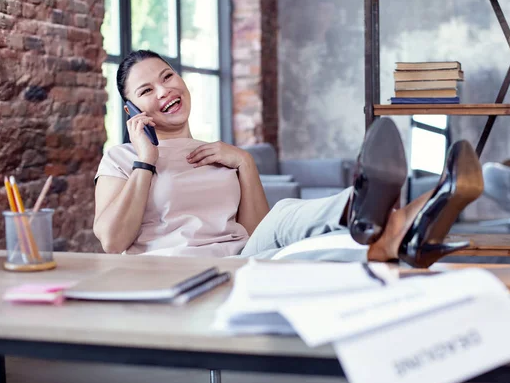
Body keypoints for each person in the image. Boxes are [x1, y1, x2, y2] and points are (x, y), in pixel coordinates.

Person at [93, 49, 484, 268]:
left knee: (314, 230)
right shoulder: (122, 158)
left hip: (245, 257)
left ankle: (397, 220)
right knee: (335, 243)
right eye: (147, 90)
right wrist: (146, 160)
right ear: (131, 110)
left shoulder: (221, 153)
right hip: (178, 268)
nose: (164, 90)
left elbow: (262, 229)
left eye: (167, 76)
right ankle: (408, 218)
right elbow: (112, 242)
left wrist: (244, 162)